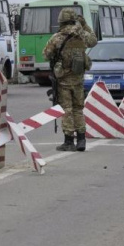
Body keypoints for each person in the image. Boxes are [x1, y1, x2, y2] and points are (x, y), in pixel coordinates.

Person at [42, 8, 97, 152]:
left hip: (63, 80)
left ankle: (68, 141)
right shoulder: (82, 35)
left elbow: (46, 54)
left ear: (61, 20)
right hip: (78, 79)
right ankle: (81, 139)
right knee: (78, 109)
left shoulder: (57, 37)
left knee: (67, 109)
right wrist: (84, 26)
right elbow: (94, 41)